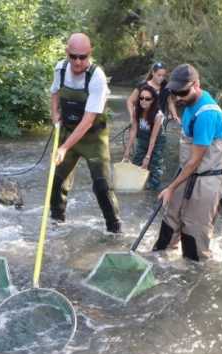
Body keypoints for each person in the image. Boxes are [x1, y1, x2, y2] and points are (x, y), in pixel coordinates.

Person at [152, 63, 222, 261]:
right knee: (170, 221)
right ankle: (159, 262)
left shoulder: (207, 113)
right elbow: (190, 161)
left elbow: (196, 160)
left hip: (208, 179)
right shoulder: (188, 103)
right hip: (188, 172)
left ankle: (192, 279)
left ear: (197, 84)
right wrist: (174, 187)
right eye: (175, 92)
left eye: (183, 92)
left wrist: (171, 187)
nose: (178, 97)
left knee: (194, 238)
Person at [50, 33, 122, 233]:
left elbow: (88, 119)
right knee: (55, 182)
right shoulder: (60, 69)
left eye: (83, 57)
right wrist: (54, 112)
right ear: (67, 53)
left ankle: (114, 229)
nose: (78, 62)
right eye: (73, 56)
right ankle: (57, 222)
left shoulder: (96, 77)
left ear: (90, 53)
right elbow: (55, 92)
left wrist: (64, 147)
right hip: (67, 131)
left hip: (93, 138)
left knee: (102, 186)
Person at [123, 84, 166, 191]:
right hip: (142, 139)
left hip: (156, 142)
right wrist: (127, 151)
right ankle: (136, 188)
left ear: (153, 100)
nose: (143, 101)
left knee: (154, 167)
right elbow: (133, 131)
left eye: (147, 99)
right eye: (141, 98)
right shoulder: (136, 110)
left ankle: (152, 192)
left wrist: (147, 157)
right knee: (136, 163)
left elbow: (153, 138)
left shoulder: (158, 115)